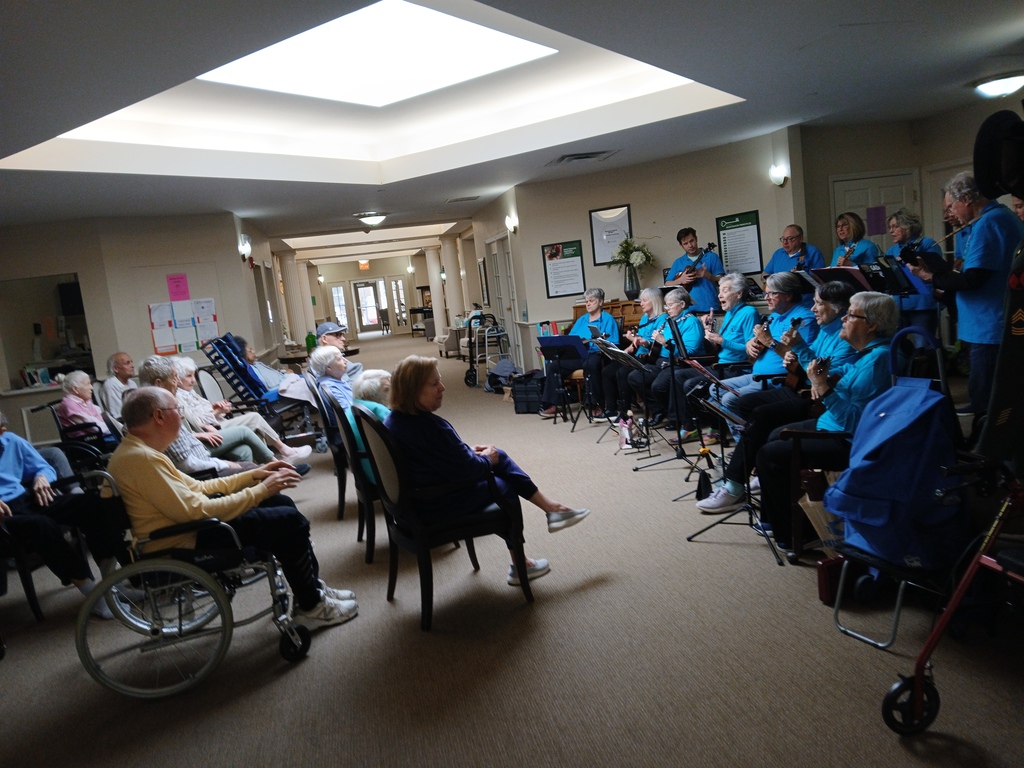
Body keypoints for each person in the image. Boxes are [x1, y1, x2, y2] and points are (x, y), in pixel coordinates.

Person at [109, 387, 357, 627]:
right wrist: (261, 490)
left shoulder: (141, 451)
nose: (182, 416)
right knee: (288, 520)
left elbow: (199, 487)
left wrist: (255, 475)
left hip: (187, 529)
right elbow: (195, 511)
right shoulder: (142, 459)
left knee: (280, 503)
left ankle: (311, 588)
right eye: (178, 409)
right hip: (182, 542)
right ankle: (311, 606)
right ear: (159, 416)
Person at [384, 356, 590, 585]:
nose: (442, 387)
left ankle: (552, 509)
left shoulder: (393, 421)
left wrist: (469, 452)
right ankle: (522, 562)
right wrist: (485, 460)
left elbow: (434, 457)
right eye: (434, 384)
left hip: (413, 503)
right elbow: (469, 471)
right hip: (434, 506)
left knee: (497, 456)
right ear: (412, 390)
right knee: (504, 485)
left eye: (439, 380)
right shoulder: (431, 427)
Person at [696, 281, 859, 513]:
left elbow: (822, 375)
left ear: (838, 308)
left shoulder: (838, 334)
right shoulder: (825, 328)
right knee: (746, 404)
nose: (813, 308)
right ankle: (753, 465)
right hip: (799, 385)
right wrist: (793, 354)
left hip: (815, 398)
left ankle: (735, 484)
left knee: (762, 415)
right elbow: (810, 362)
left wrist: (791, 350)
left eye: (818, 304)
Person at [751, 292, 899, 548]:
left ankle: (793, 534)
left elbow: (855, 423)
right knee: (774, 434)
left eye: (851, 315)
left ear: (871, 325)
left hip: (847, 440)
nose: (843, 319)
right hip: (832, 424)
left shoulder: (877, 361)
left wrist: (823, 387)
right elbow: (825, 374)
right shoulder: (868, 354)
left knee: (769, 454)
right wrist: (801, 350)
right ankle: (779, 519)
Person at [909, 171, 1024, 423]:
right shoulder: (999, 217)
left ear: (966, 199)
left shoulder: (990, 223)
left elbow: (973, 279)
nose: (950, 213)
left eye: (951, 206)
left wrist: (930, 276)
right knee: (989, 393)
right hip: (990, 322)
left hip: (990, 326)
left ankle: (984, 444)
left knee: (987, 399)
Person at [0, 409, 126, 618]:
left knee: (92, 503)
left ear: (2, 431)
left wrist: (41, 477)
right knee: (42, 526)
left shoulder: (12, 441)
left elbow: (43, 467)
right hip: (4, 516)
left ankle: (114, 583)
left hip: (26, 499)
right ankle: (93, 596)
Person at [708, 272, 818, 427]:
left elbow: (800, 359)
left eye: (772, 294)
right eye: (766, 293)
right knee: (715, 389)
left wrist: (769, 342)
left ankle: (748, 435)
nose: (766, 298)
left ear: (788, 295)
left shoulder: (804, 319)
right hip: (757, 374)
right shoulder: (775, 316)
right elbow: (757, 345)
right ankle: (747, 432)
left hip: (775, 379)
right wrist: (751, 344)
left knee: (729, 399)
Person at [138, 356, 272, 477]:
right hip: (204, 471)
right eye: (174, 377)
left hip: (203, 454)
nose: (177, 382)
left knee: (244, 451)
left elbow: (186, 437)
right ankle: (271, 469)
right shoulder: (162, 413)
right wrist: (226, 464)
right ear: (158, 384)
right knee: (246, 441)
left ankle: (259, 479)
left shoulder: (164, 405)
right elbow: (188, 465)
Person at [172, 356, 311, 461]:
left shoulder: (189, 392)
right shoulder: (178, 396)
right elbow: (196, 423)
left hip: (218, 422)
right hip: (213, 429)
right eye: (188, 376)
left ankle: (273, 464)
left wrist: (216, 407)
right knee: (254, 418)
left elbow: (204, 411)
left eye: (193, 375)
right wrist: (216, 412)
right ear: (177, 378)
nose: (193, 380)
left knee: (256, 429)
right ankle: (284, 452)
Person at [634, 288, 706, 434]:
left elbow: (689, 351)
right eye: (666, 305)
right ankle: (661, 410)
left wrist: (665, 343)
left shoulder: (691, 321)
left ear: (682, 304)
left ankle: (675, 418)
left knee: (658, 386)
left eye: (670, 305)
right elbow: (658, 343)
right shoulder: (670, 320)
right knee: (636, 377)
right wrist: (650, 343)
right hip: (661, 360)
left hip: (680, 363)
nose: (667, 309)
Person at [539, 288, 619, 417]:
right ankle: (555, 404)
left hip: (596, 353)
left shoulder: (608, 319)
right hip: (579, 354)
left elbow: (613, 343)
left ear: (600, 302)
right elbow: (571, 338)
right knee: (553, 366)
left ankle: (597, 404)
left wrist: (596, 342)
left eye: (591, 301)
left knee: (591, 365)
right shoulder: (582, 319)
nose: (588, 304)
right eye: (586, 301)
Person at [599, 287, 667, 420]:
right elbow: (639, 339)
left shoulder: (662, 319)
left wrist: (642, 342)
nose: (641, 304)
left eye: (644, 300)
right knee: (607, 371)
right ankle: (611, 409)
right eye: (641, 301)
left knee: (622, 372)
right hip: (638, 355)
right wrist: (629, 346)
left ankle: (625, 413)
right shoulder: (644, 318)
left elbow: (657, 343)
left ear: (654, 301)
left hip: (650, 358)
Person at [885, 208, 942, 340]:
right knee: (895, 344)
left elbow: (937, 271)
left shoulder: (927, 243)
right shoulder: (891, 250)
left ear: (908, 226)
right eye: (890, 227)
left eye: (895, 226)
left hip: (922, 305)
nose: (891, 231)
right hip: (898, 305)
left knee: (923, 345)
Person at [231, 335, 317, 406]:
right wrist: (287, 376)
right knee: (312, 383)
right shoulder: (253, 369)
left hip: (282, 381)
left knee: (311, 379)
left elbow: (270, 378)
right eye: (250, 350)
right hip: (276, 392)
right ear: (243, 355)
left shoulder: (254, 366)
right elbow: (271, 385)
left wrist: (282, 372)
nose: (253, 352)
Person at [344, 369, 392, 486]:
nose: (392, 392)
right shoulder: (377, 410)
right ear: (369, 394)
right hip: (384, 472)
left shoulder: (355, 407)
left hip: (367, 468)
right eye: (386, 389)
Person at [664, 228, 725, 311]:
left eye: (691, 241)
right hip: (686, 310)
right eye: (685, 243)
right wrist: (680, 280)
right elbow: (667, 284)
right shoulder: (678, 262)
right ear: (681, 245)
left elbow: (722, 282)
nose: (690, 245)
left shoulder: (711, 257)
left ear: (696, 239)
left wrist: (709, 276)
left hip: (710, 307)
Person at [55, 370, 118, 449]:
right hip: (89, 441)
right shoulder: (69, 405)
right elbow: (94, 428)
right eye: (88, 384)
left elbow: (101, 418)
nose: (91, 387)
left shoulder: (85, 401)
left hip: (100, 436)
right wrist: (115, 428)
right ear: (75, 389)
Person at [309, 346, 354, 434]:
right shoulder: (331, 388)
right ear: (328, 367)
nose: (346, 361)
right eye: (340, 359)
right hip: (352, 432)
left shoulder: (332, 380)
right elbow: (348, 417)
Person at [761, 225, 826, 279]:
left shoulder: (812, 252)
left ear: (800, 239)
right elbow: (764, 274)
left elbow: (820, 279)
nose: (785, 242)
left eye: (790, 239)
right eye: (783, 239)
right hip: (780, 290)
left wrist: (800, 276)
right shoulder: (778, 253)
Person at [101, 352, 137, 421]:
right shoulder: (111, 384)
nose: (132, 365)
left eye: (131, 362)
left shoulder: (132, 383)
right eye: (127, 363)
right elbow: (117, 414)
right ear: (116, 369)